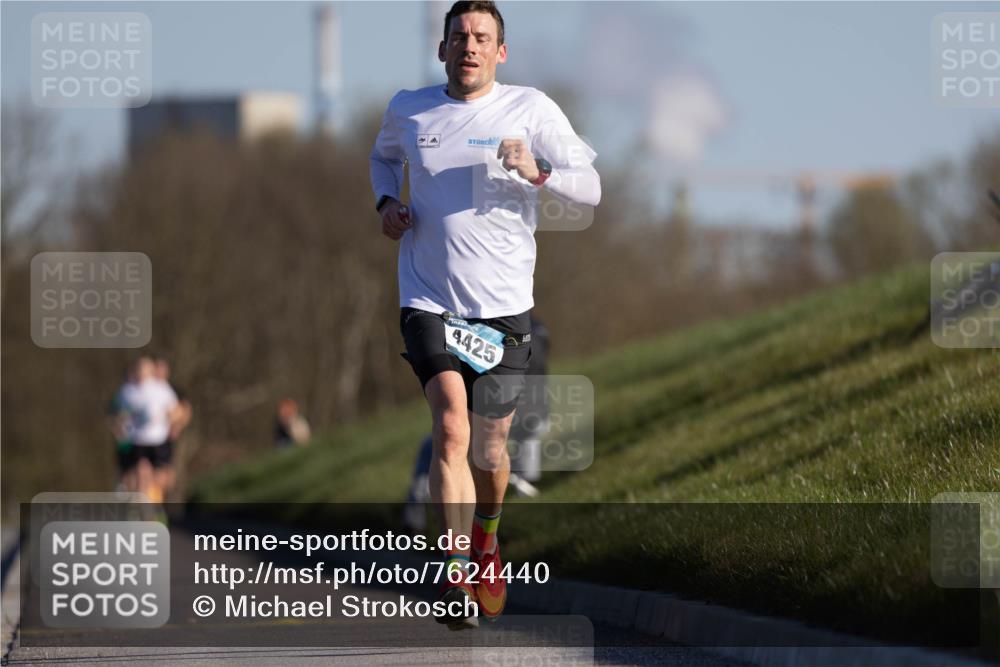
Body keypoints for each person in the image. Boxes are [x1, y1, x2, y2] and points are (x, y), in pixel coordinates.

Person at [370, 0, 600, 629]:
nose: (468, 46)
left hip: (504, 312)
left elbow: (590, 187)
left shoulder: (531, 108)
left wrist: (538, 169)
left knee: (490, 452)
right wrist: (387, 201)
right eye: (458, 36)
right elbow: (383, 159)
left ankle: (488, 540)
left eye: (481, 38)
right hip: (428, 300)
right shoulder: (409, 109)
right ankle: (452, 579)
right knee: (451, 428)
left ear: (500, 52)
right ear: (441, 48)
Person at [107, 356, 182, 506]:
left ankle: (155, 502)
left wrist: (170, 421)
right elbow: (115, 413)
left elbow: (177, 411)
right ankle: (143, 506)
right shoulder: (127, 390)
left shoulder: (161, 388)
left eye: (145, 369)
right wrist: (120, 425)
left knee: (159, 477)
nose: (142, 372)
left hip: (158, 438)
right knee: (141, 471)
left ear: (151, 370)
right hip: (136, 439)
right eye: (139, 369)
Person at [152, 356, 192, 502]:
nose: (159, 372)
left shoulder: (173, 390)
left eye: (162, 369)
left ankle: (159, 501)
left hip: (165, 437)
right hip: (146, 438)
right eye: (156, 369)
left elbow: (186, 410)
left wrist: (177, 427)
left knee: (165, 472)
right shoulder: (145, 389)